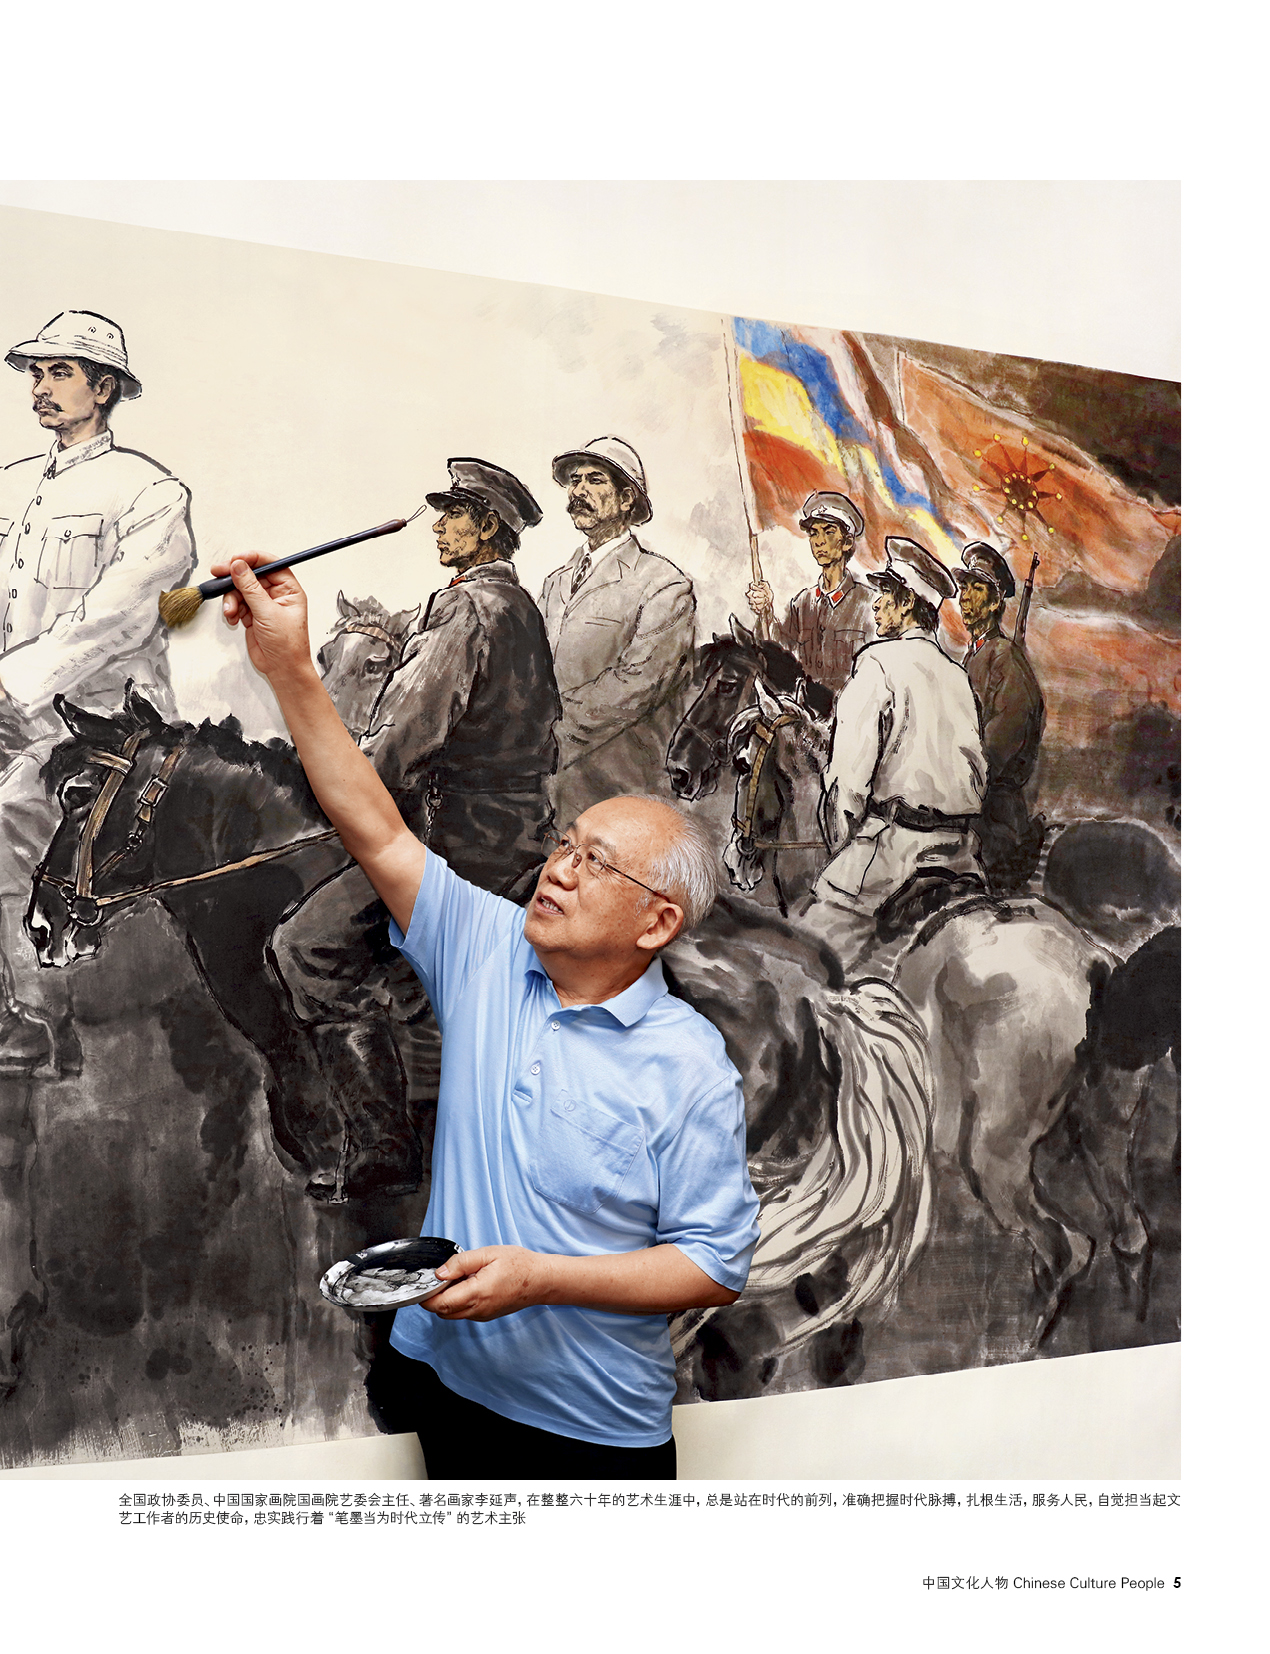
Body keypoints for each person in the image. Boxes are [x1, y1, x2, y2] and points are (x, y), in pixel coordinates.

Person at [214, 547, 760, 1478]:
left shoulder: (688, 1061)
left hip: (594, 1437)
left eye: (597, 864)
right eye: (566, 845)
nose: (559, 870)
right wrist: (290, 667)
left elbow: (712, 1266)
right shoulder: (487, 948)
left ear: (657, 922)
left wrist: (542, 1279)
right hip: (444, 1387)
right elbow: (374, 824)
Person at [270, 458, 563, 1201]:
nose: (438, 526)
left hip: (461, 844)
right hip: (517, 831)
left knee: (305, 946)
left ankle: (385, 1148)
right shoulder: (518, 606)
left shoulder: (465, 610)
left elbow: (400, 743)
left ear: (487, 527)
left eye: (453, 514)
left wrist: (335, 780)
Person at [0, 310, 194, 1074]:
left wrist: (13, 686)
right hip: (12, 711)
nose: (40, 388)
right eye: (35, 373)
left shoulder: (151, 493)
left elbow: (119, 614)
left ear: (104, 388)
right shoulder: (11, 485)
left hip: (105, 727)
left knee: (10, 820)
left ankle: (35, 1022)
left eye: (60, 373)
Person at [804, 537, 987, 971]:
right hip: (961, 857)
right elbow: (977, 777)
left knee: (806, 961)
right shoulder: (958, 676)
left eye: (885, 594)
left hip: (893, 858)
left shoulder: (877, 663)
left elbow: (848, 784)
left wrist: (844, 848)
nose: (876, 604)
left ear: (906, 604)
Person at [538, 437, 696, 828]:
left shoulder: (664, 584)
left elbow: (636, 684)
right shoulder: (554, 583)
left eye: (595, 480)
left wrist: (538, 737)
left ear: (626, 499)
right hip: (544, 797)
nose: (578, 491)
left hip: (619, 799)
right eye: (575, 481)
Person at [954, 542, 1047, 894]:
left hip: (995, 826)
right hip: (969, 813)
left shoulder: (1005, 659)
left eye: (976, 588)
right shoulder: (972, 658)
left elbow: (997, 748)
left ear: (995, 602)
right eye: (963, 586)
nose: (964, 596)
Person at [745, 490, 873, 693]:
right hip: (804, 708)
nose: (819, 541)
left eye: (829, 532)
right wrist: (766, 612)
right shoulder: (802, 603)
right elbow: (779, 650)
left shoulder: (869, 604)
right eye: (814, 533)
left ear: (847, 542)